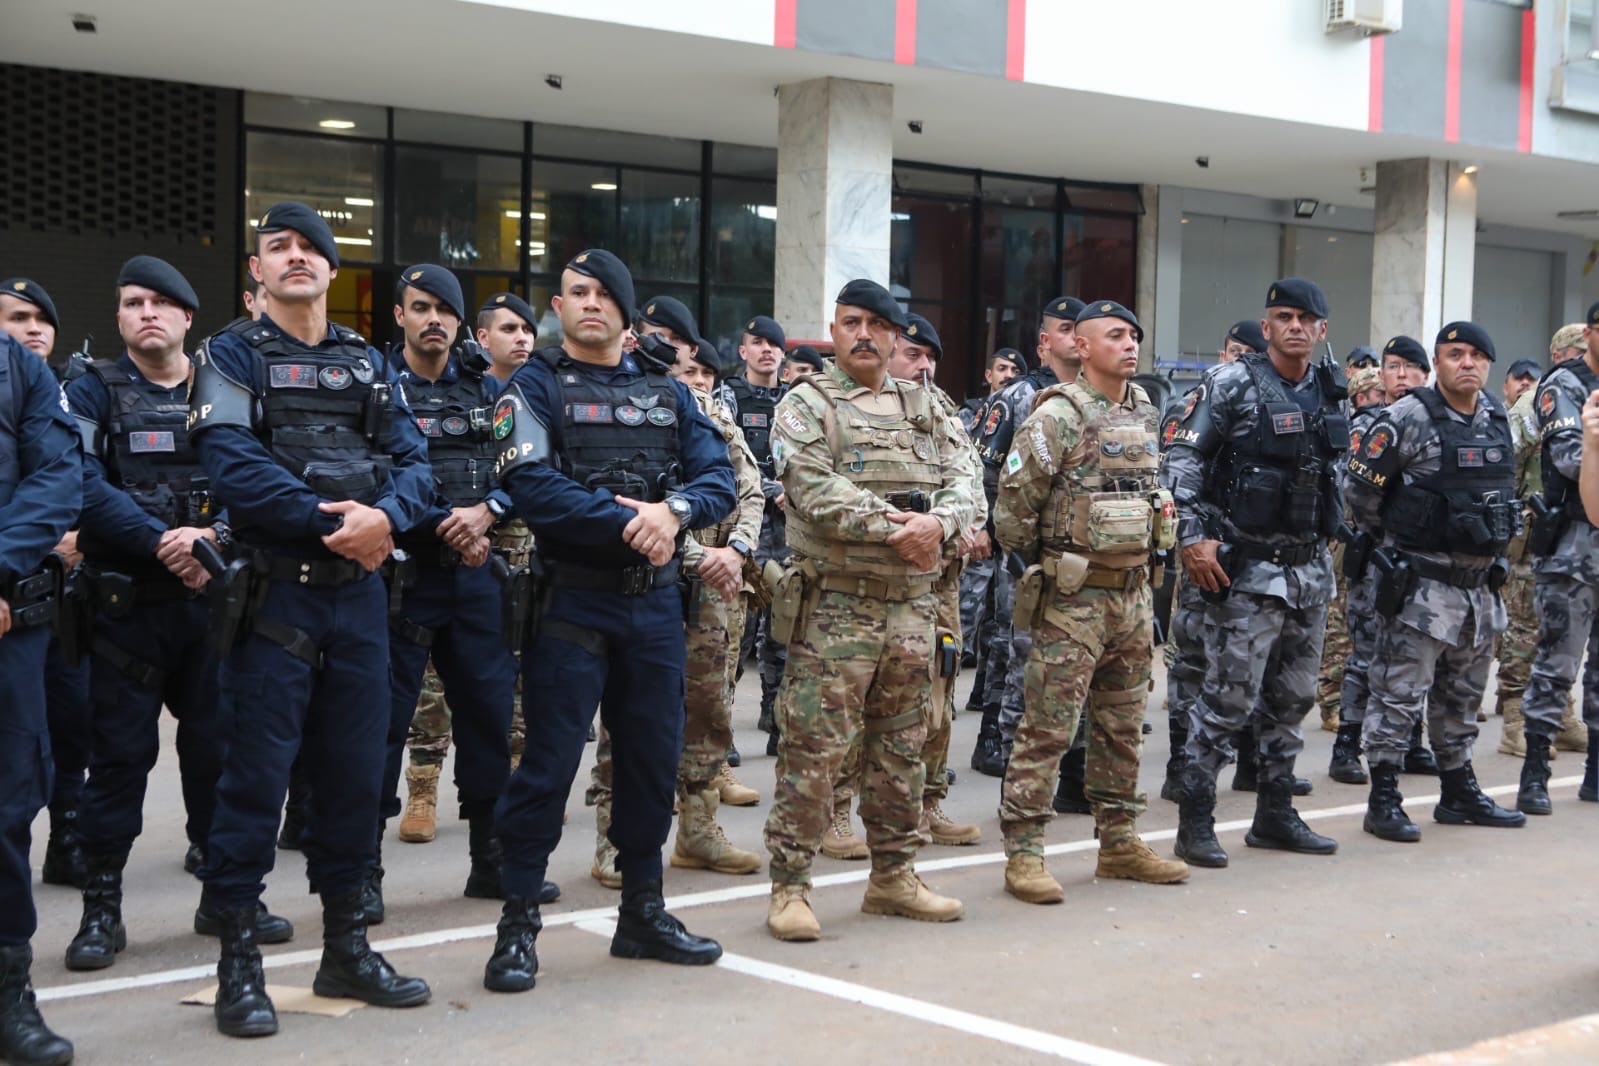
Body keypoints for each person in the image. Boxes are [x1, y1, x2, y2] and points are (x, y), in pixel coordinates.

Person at [188, 201, 435, 1037]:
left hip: (361, 603)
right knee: (254, 783)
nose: (295, 257)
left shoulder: (366, 363)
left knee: (355, 779)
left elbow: (414, 462)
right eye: (277, 247)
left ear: (333, 269)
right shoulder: (228, 354)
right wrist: (343, 525)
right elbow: (230, 464)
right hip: (275, 598)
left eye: (310, 248)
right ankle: (238, 966)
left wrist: (389, 520)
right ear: (256, 270)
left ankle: (347, 948)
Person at [486, 249, 734, 993]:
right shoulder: (532, 385)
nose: (589, 303)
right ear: (557, 310)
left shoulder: (669, 390)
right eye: (575, 293)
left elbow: (716, 478)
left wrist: (674, 513)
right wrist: (638, 524)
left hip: (655, 607)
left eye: (603, 294)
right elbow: (529, 484)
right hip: (573, 603)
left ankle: (642, 913)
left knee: (651, 765)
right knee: (547, 767)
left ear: (626, 312)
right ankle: (518, 925)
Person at [63, 257, 292, 975]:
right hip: (126, 607)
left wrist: (212, 539)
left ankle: (225, 898)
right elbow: (79, 482)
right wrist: (164, 542)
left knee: (219, 759)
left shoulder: (224, 385)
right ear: (120, 317)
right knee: (120, 762)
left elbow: (258, 475)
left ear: (189, 318)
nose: (147, 314)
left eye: (162, 303)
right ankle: (102, 906)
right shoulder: (90, 388)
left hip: (213, 604)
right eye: (133, 303)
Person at [763, 280, 979, 942]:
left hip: (912, 609)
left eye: (876, 325)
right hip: (836, 606)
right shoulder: (805, 404)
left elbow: (967, 478)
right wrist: (899, 527)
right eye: (850, 322)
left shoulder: (927, 404)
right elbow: (808, 485)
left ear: (894, 336)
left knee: (902, 749)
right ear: (833, 331)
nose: (862, 334)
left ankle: (893, 877)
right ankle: (790, 887)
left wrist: (940, 522)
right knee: (814, 751)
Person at [996, 300, 1188, 902]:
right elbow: (1013, 510)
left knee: (1122, 727)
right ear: (1080, 347)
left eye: (1133, 334)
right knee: (1049, 729)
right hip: (1073, 599)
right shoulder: (1058, 415)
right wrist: (1053, 566)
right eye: (1113, 336)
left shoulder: (1145, 410)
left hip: (1133, 598)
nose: (1129, 345)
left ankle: (1120, 842)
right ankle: (1024, 852)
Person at [1161, 278, 1346, 869]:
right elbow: (1182, 460)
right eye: (1282, 317)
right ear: (1265, 328)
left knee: (1291, 701)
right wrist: (1192, 537)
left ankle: (1274, 813)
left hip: (1308, 572)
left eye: (1305, 318)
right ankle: (1195, 819)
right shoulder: (1231, 383)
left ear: (1322, 330)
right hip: (1244, 571)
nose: (1295, 326)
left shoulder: (1328, 388)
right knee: (1226, 701)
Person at [377, 264, 525, 906]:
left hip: (475, 579)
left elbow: (521, 466)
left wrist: (489, 509)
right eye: (420, 308)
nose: (432, 319)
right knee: (381, 724)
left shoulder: (489, 391)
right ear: (400, 316)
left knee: (489, 719)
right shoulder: (378, 387)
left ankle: (489, 860)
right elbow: (370, 470)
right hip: (403, 577)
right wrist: (447, 525)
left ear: (461, 323)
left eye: (444, 310)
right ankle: (362, 877)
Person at [1344, 322, 1524, 840]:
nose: (1467, 363)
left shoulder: (1495, 417)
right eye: (1455, 354)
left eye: (1476, 355)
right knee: (1398, 694)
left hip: (1477, 586)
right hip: (1420, 586)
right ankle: (1384, 798)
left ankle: (1457, 790)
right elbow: (1360, 494)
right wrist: (1399, 544)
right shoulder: (1407, 416)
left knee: (1462, 697)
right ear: (1438, 364)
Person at [637, 296, 765, 877]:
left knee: (710, 706)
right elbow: (630, 502)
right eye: (649, 333)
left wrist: (735, 552)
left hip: (717, 578)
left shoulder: (715, 413)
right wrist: (696, 554)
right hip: (650, 572)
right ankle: (621, 836)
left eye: (673, 339)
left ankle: (697, 828)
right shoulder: (626, 405)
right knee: (635, 709)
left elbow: (750, 489)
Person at [0, 331, 81, 1066]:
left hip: (5, 618)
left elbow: (57, 477)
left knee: (5, 812)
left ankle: (8, 994)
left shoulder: (20, 371)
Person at [969, 297, 1086, 780]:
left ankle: (1072, 757)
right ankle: (995, 738)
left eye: (1081, 330)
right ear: (1044, 343)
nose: (1074, 338)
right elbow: (983, 470)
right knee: (1013, 642)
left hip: (1080, 555)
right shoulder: (1018, 397)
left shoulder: (1099, 398)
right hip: (1023, 550)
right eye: (1064, 329)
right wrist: (995, 533)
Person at [0, 278, 91, 888]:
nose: (34, 328)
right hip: (20, 588)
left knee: (71, 721)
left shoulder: (74, 391)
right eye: (17, 317)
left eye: (42, 319)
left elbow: (81, 481)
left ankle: (67, 836)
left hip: (70, 591)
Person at [882, 313, 985, 847]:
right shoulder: (857, 408)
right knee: (863, 701)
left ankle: (929, 803)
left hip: (938, 584)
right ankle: (836, 812)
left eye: (931, 360)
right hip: (876, 582)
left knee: (939, 693)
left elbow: (970, 481)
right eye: (913, 355)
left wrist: (958, 525)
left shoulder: (941, 410)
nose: (924, 368)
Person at [1158, 320, 1266, 802]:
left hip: (1255, 552)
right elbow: (1174, 477)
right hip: (1206, 549)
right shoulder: (1191, 407)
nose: (1238, 361)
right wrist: (1190, 537)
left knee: (1255, 660)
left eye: (1249, 354)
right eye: (1233, 351)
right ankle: (1181, 762)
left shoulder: (1266, 406)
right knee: (1194, 656)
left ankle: (1251, 760)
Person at [1518, 300, 1599, 816]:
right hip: (1573, 544)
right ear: (1591, 333)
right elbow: (1571, 459)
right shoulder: (1564, 385)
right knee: (1556, 664)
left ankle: (1595, 774)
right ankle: (1534, 773)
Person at [1496, 328, 1589, 759]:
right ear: (1559, 354)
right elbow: (1502, 464)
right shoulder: (1531, 405)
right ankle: (1515, 720)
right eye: (1578, 353)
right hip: (1534, 534)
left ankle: (1563, 718)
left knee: (1565, 639)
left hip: (1571, 535)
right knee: (1526, 630)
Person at [725, 315, 791, 758]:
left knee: (785, 624)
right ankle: (721, 724)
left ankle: (777, 716)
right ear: (744, 351)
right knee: (737, 630)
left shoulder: (799, 400)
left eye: (774, 344)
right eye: (758, 343)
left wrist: (794, 490)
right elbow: (723, 455)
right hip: (744, 525)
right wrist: (766, 490)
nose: (766, 350)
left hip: (789, 526)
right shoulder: (727, 397)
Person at [1327, 364, 1388, 785]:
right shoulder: (1361, 430)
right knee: (1350, 635)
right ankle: (1340, 720)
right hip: (1357, 542)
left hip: (1375, 545)